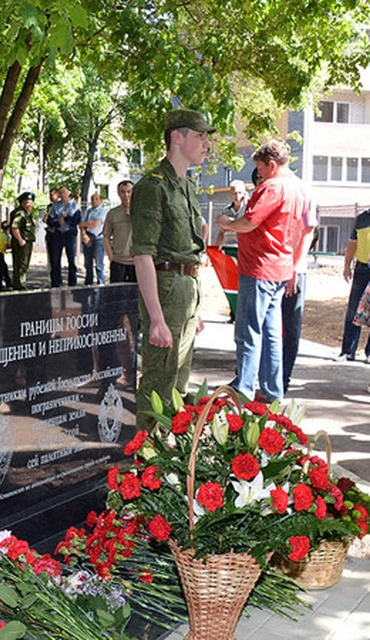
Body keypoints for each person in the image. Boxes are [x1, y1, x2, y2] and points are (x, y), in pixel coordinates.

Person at [131, 109, 212, 428]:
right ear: (176, 137)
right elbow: (143, 256)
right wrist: (156, 318)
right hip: (165, 290)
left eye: (207, 137)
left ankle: (166, 464)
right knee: (158, 382)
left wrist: (195, 308)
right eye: (200, 136)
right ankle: (143, 463)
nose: (207, 144)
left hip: (185, 292)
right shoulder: (154, 186)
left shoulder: (187, 187)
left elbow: (190, 253)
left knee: (178, 383)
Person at [216, 139, 307, 403]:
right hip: (279, 267)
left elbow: (250, 222)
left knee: (248, 331)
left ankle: (243, 388)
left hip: (259, 266)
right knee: (270, 334)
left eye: (260, 169)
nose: (259, 175)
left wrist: (228, 223)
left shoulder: (272, 187)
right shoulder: (296, 188)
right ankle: (271, 389)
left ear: (271, 164)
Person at [282, 188, 317, 390]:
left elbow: (308, 232)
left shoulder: (302, 194)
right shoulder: (265, 195)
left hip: (295, 271)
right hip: (273, 269)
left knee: (291, 327)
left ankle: (283, 377)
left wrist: (295, 268)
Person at [337, 207, 370, 362]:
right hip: (362, 268)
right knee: (353, 309)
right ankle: (347, 351)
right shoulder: (362, 218)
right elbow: (352, 244)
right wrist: (347, 266)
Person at [44, 185, 81, 287]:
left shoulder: (74, 205)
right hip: (58, 234)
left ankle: (72, 283)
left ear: (68, 193)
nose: (62, 194)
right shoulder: (55, 206)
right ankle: (56, 283)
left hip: (69, 235)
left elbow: (77, 220)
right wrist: (57, 222)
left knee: (71, 260)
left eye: (64, 192)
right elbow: (49, 220)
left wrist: (67, 217)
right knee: (55, 260)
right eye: (60, 193)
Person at [103, 180, 136, 283]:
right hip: (118, 261)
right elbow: (106, 235)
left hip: (137, 261)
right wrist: (111, 256)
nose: (126, 195)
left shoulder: (143, 212)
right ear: (118, 193)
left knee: (136, 296)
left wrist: (133, 215)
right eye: (123, 192)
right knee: (116, 295)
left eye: (129, 191)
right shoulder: (113, 213)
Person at [10, 191, 37, 289]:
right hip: (22, 243)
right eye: (27, 202)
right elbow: (14, 228)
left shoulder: (27, 214)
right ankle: (20, 286)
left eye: (31, 202)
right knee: (21, 265)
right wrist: (20, 240)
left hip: (26, 242)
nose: (29, 204)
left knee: (21, 265)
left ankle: (18, 285)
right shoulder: (20, 214)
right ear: (22, 203)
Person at [79, 192, 108, 285]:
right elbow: (81, 225)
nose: (94, 201)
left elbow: (95, 223)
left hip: (99, 239)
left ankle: (101, 283)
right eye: (92, 199)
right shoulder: (88, 211)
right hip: (88, 238)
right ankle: (88, 283)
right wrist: (84, 234)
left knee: (99, 264)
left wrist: (86, 224)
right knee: (88, 263)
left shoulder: (103, 211)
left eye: (96, 199)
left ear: (100, 200)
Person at [214, 180, 249, 246]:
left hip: (242, 246)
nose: (237, 196)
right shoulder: (226, 211)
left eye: (240, 193)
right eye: (234, 193)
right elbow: (222, 231)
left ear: (244, 193)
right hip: (228, 246)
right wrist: (217, 247)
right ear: (231, 195)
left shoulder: (247, 210)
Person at [0, 218, 13, 291]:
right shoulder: (6, 236)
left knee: (4, 267)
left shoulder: (1, 233)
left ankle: (8, 283)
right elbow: (7, 245)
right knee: (1, 269)